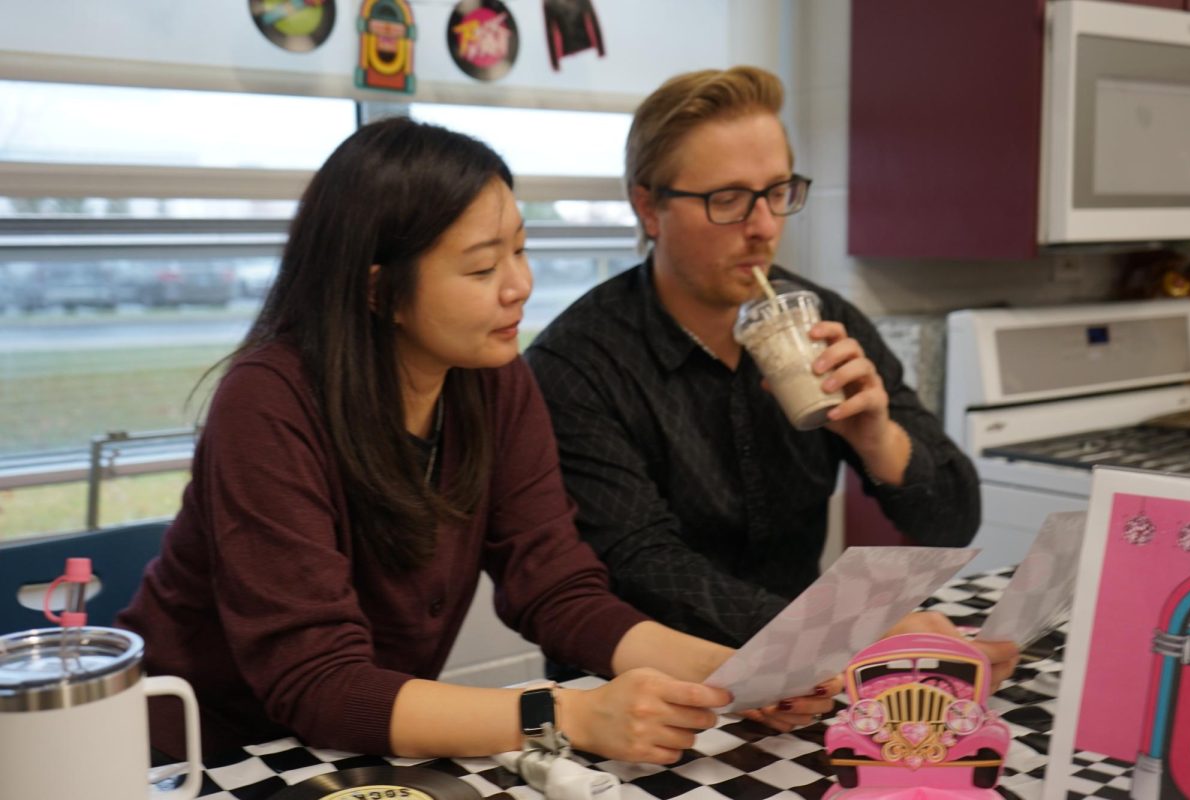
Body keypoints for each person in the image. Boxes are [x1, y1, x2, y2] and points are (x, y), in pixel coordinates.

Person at [116, 116, 837, 765]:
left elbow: (556, 587)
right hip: (199, 756)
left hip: (352, 752)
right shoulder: (270, 403)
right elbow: (321, 683)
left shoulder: (492, 381)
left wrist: (730, 676)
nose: (519, 286)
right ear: (378, 291)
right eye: (483, 267)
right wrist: (567, 713)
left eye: (520, 251)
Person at [524, 66, 983, 650]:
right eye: (729, 200)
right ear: (648, 208)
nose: (764, 227)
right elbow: (646, 569)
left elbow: (954, 521)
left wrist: (879, 440)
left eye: (777, 192)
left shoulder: (821, 321)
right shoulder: (578, 364)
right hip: (637, 693)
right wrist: (841, 632)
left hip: (801, 678)